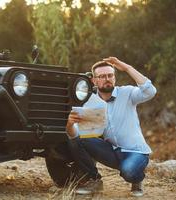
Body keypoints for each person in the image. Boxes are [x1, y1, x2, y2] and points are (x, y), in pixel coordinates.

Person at [66, 57, 157, 197]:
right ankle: (94, 180)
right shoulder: (89, 101)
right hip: (112, 152)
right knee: (78, 140)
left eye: (110, 75)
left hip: (135, 152)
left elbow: (150, 91)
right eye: (102, 76)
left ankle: (137, 179)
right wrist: (70, 124)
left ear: (114, 78)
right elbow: (75, 135)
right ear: (94, 81)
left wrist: (126, 68)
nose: (107, 79)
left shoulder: (127, 93)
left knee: (129, 171)